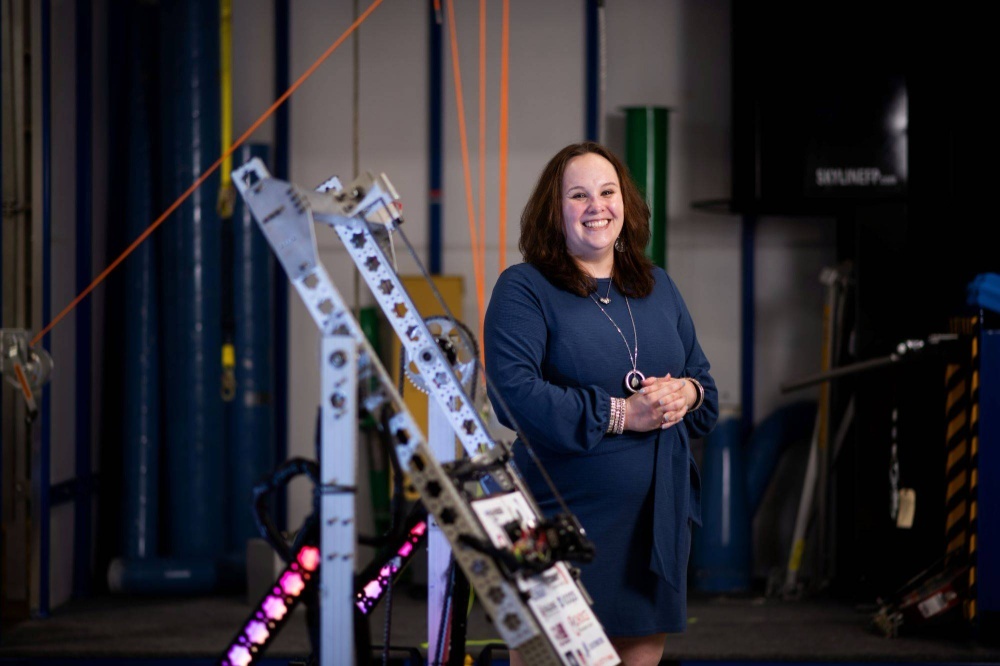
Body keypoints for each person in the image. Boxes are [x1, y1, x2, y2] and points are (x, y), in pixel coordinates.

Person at [484, 142, 719, 666]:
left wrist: (685, 394)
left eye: (608, 192)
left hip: (654, 523)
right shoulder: (524, 288)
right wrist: (622, 413)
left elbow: (707, 394)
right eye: (578, 195)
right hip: (560, 519)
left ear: (625, 204)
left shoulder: (658, 286)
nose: (597, 206)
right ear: (554, 210)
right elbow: (512, 396)